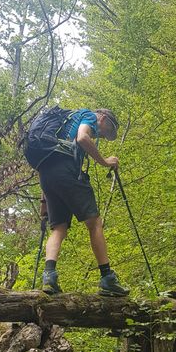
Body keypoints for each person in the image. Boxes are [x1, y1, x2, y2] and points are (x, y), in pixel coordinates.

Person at [37, 107, 130, 297]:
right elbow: (82, 138)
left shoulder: (59, 131)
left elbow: (49, 165)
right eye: (108, 129)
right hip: (67, 171)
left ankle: (49, 277)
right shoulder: (87, 115)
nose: (104, 135)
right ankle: (107, 279)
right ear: (102, 117)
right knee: (94, 222)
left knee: (59, 228)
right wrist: (105, 161)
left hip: (48, 175)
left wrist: (44, 204)